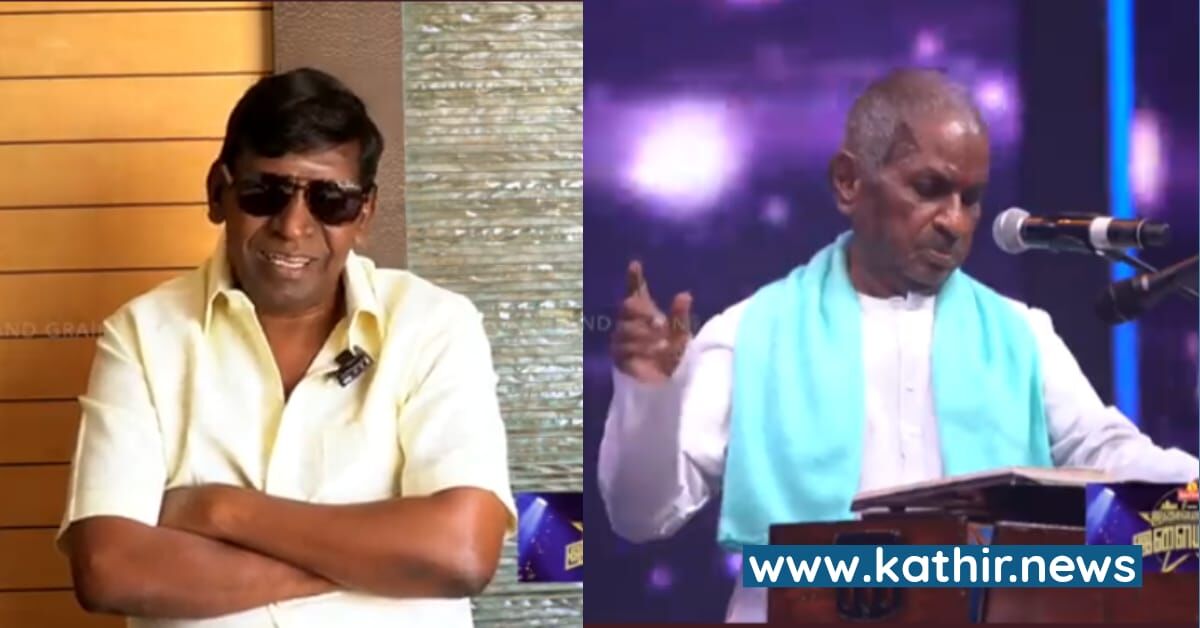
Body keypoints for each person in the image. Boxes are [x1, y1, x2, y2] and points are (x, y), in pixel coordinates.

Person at [597, 68, 1199, 623]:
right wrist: (647, 400)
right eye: (929, 189)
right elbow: (640, 516)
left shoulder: (1021, 334)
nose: (955, 222)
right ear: (848, 182)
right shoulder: (750, 334)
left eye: (971, 198)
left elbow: (1109, 452)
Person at [58, 68, 516, 627]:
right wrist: (378, 561)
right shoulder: (142, 336)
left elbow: (461, 553)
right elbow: (110, 570)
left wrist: (219, 509)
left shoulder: (433, 325)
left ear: (364, 214)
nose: (293, 225)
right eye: (266, 192)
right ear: (218, 192)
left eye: (331, 200)